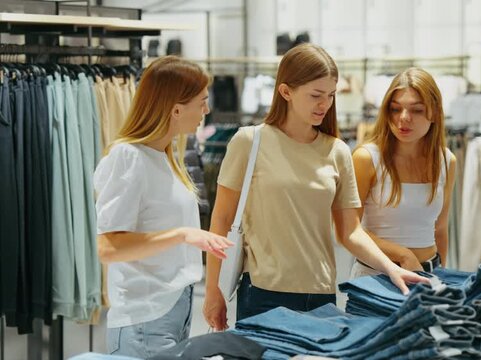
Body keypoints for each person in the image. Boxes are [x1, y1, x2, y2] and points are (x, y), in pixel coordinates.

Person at [203, 44, 428, 330]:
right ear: (286, 92)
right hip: (263, 293)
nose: (325, 104)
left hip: (321, 296)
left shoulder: (337, 151)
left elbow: (350, 231)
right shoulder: (249, 142)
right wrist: (213, 290)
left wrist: (391, 267)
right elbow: (220, 221)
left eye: (331, 95)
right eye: (316, 96)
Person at [94, 56, 233, 358]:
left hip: (170, 312)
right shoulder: (129, 158)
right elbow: (108, 247)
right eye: (202, 102)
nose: (206, 111)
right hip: (144, 320)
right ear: (176, 109)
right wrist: (182, 235)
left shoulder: (166, 157)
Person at [349, 67, 456, 279]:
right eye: (395, 109)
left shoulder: (446, 161)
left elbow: (441, 229)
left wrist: (442, 277)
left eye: (416, 110)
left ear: (434, 112)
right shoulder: (367, 158)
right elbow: (349, 231)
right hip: (376, 277)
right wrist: (403, 254)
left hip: (429, 275)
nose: (404, 118)